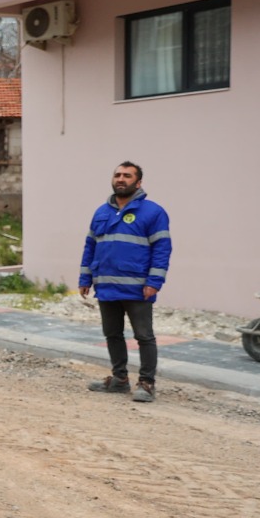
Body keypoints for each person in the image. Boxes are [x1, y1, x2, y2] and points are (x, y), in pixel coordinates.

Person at [80, 161, 171, 403]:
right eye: (118, 175)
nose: (121, 179)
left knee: (144, 336)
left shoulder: (153, 212)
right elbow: (90, 246)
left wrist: (155, 281)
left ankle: (147, 383)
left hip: (138, 287)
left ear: (138, 182)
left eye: (127, 176)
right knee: (112, 334)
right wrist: (85, 277)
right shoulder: (101, 212)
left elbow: (162, 249)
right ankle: (120, 380)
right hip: (106, 287)